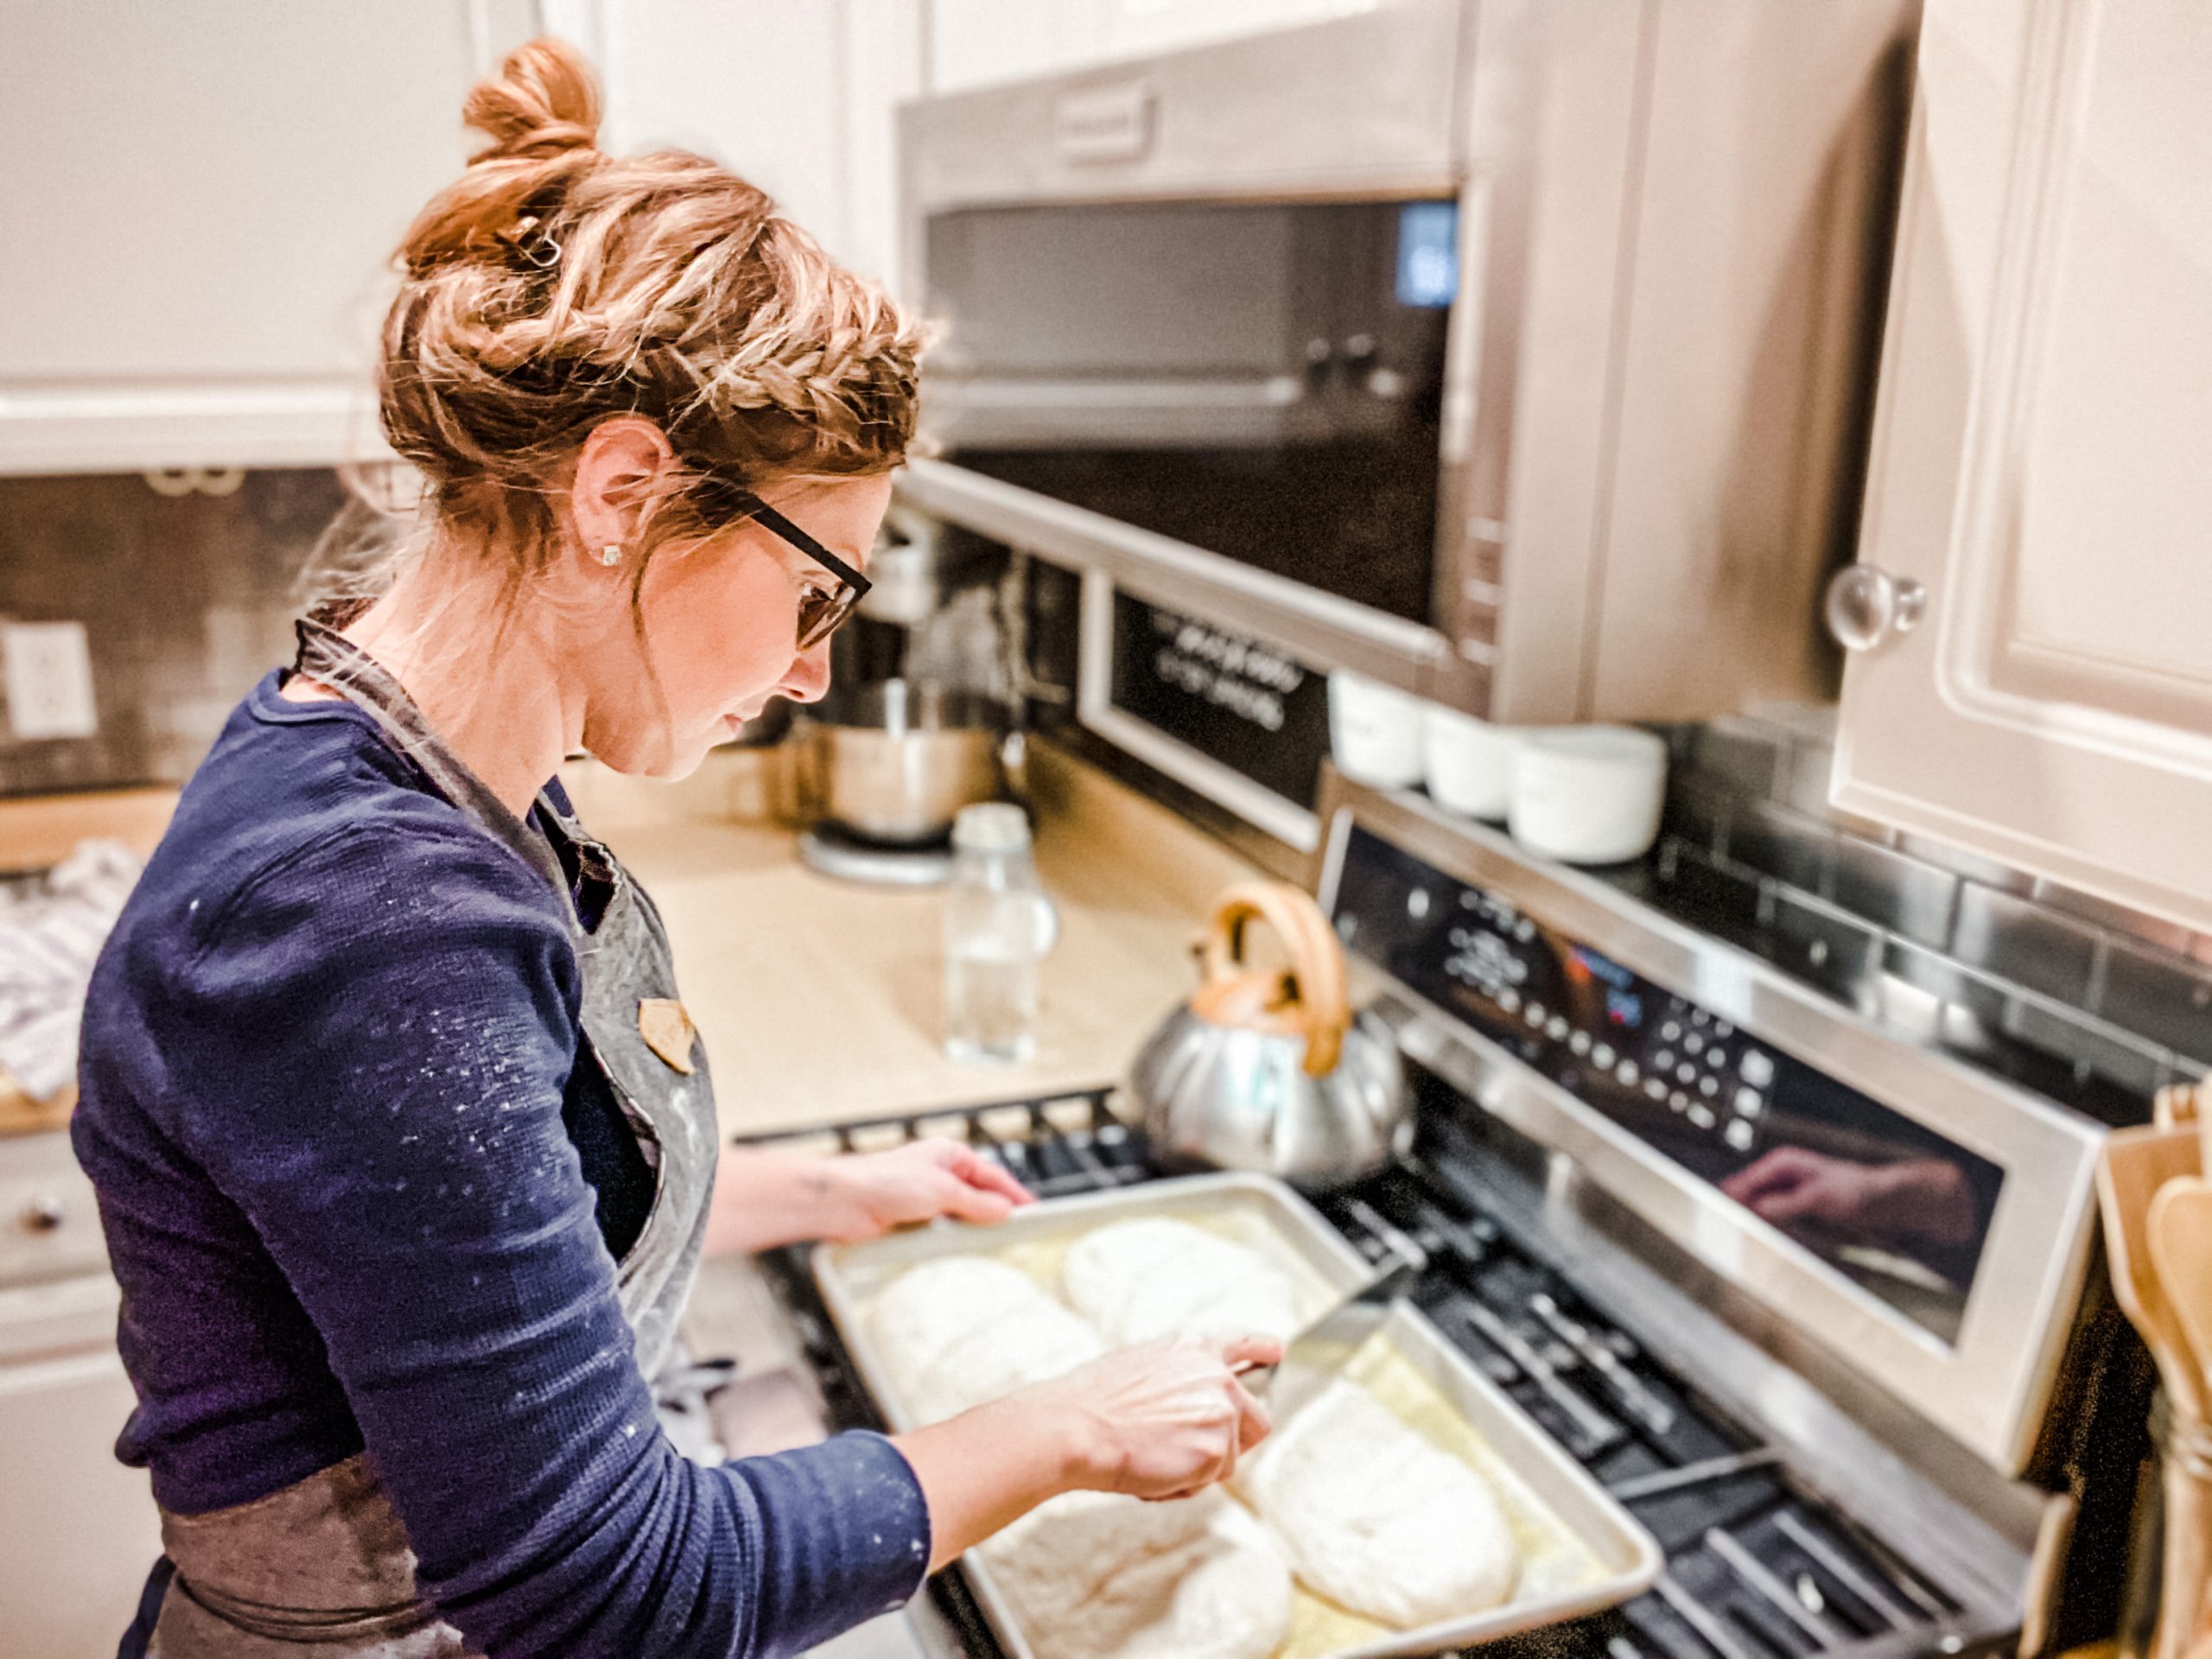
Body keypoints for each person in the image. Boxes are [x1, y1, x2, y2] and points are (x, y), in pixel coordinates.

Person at [73, 38, 1276, 1659]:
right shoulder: (364, 920)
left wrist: (824, 1188)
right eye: (817, 589)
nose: (810, 670)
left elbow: (451, 1221)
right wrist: (1067, 1433)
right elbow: (612, 1588)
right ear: (624, 492)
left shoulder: (419, 755)